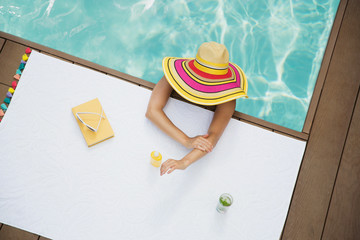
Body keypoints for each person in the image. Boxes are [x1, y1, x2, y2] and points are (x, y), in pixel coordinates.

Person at [146, 41, 248, 176]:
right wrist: (186, 140)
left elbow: (213, 136)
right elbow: (152, 111)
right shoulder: (175, 74)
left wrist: (184, 162)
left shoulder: (228, 96)